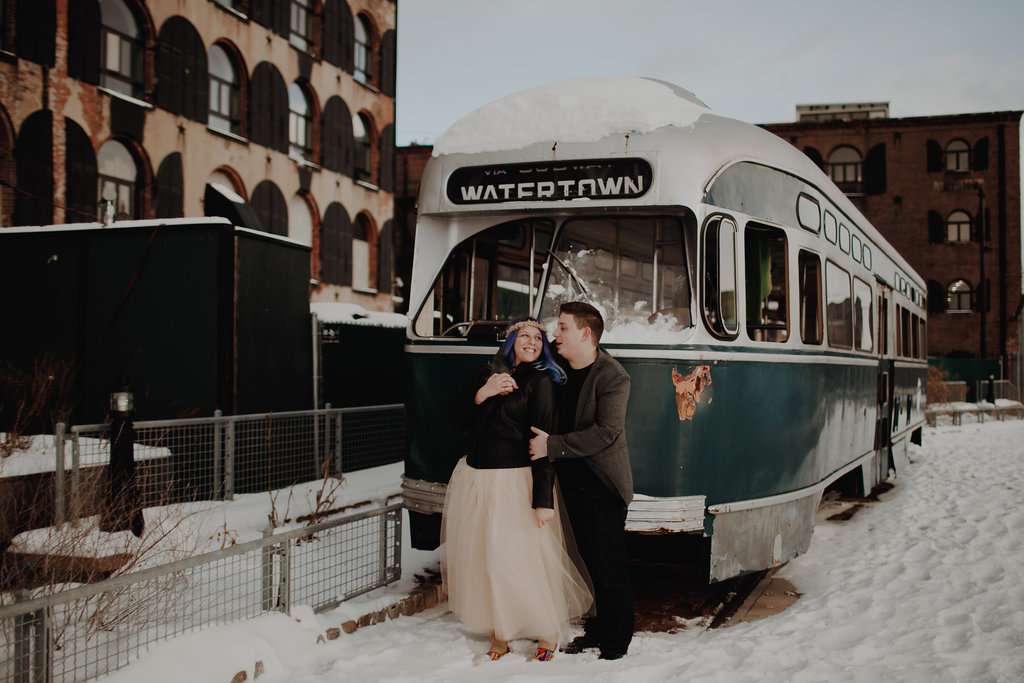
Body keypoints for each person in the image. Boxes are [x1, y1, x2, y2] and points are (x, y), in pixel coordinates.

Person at [441, 319, 593, 662]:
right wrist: (484, 393)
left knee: (524, 559)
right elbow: (458, 425)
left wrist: (543, 499)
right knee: (489, 560)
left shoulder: (541, 382)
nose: (532, 341)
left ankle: (547, 630)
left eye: (538, 338)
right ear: (510, 342)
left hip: (515, 482)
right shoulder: (488, 376)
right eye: (524, 335)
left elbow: (542, 443)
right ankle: (501, 631)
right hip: (479, 480)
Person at [529, 301, 635, 660]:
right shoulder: (558, 367)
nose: (555, 334)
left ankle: (616, 642)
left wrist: (551, 445)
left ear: (585, 334)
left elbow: (606, 432)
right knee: (588, 562)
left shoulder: (613, 376)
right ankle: (599, 629)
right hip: (571, 479)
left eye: (563, 327)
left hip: (602, 483)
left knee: (608, 564)